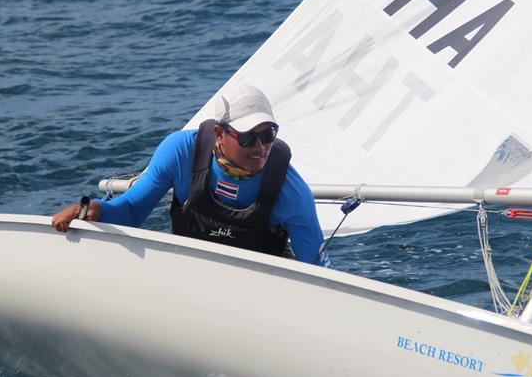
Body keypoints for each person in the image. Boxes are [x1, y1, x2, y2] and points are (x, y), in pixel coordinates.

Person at [52, 84, 329, 266]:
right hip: (193, 278)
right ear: (220, 134)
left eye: (268, 134)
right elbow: (132, 211)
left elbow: (318, 272)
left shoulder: (291, 192)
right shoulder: (181, 153)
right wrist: (94, 210)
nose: (260, 147)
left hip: (262, 291)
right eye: (247, 137)